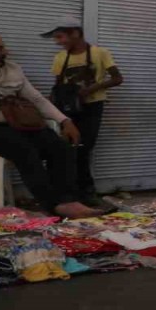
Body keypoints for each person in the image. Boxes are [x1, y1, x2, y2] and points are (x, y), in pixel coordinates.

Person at [0, 29, 102, 219]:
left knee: (61, 147)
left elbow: (36, 99)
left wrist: (65, 120)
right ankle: (53, 205)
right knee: (25, 150)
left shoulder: (12, 68)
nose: (5, 52)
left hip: (17, 124)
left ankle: (69, 200)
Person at [45, 23, 123, 199]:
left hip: (92, 106)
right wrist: (49, 107)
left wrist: (91, 89)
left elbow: (117, 78)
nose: (58, 42)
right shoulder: (60, 57)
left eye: (60, 37)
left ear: (75, 33)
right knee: (67, 148)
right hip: (68, 108)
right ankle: (70, 191)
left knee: (84, 147)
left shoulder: (100, 53)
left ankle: (86, 191)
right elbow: (57, 85)